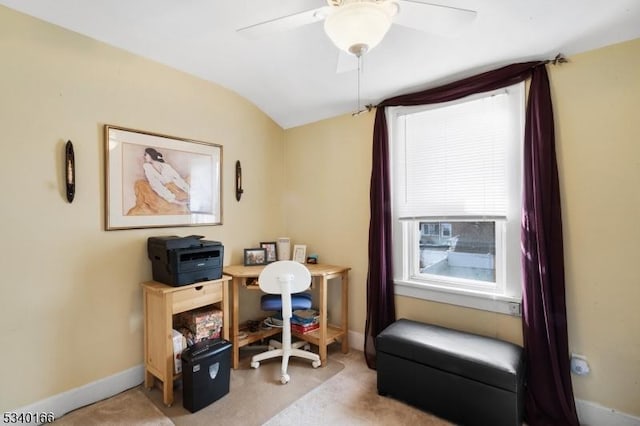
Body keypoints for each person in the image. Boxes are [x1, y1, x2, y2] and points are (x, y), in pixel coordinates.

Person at [127, 147, 190, 216]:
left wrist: (188, 190)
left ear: (151, 155)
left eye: (146, 154)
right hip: (161, 192)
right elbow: (156, 185)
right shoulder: (147, 167)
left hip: (174, 188)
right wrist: (175, 201)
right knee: (140, 184)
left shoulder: (166, 166)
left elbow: (178, 179)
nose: (144, 157)